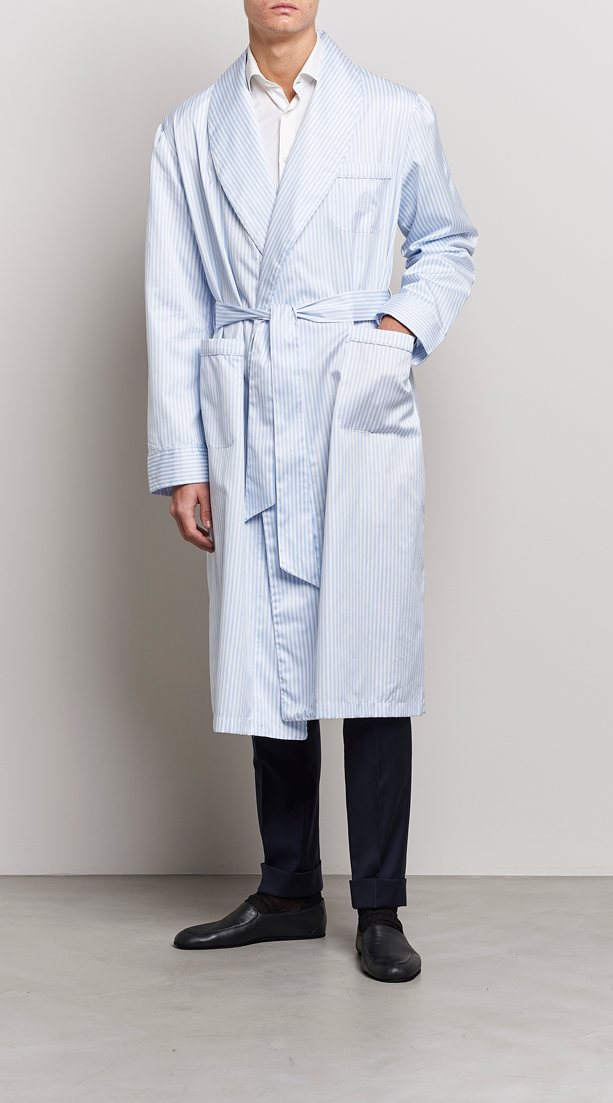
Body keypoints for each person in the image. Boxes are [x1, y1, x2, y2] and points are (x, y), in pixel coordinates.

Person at [146, 0, 477, 982]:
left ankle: (379, 907)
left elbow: (448, 242)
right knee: (269, 654)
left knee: (369, 655)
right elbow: (175, 298)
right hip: (248, 406)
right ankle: (288, 888)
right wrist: (184, 456)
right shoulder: (189, 131)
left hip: (351, 402)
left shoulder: (393, 112)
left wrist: (395, 334)